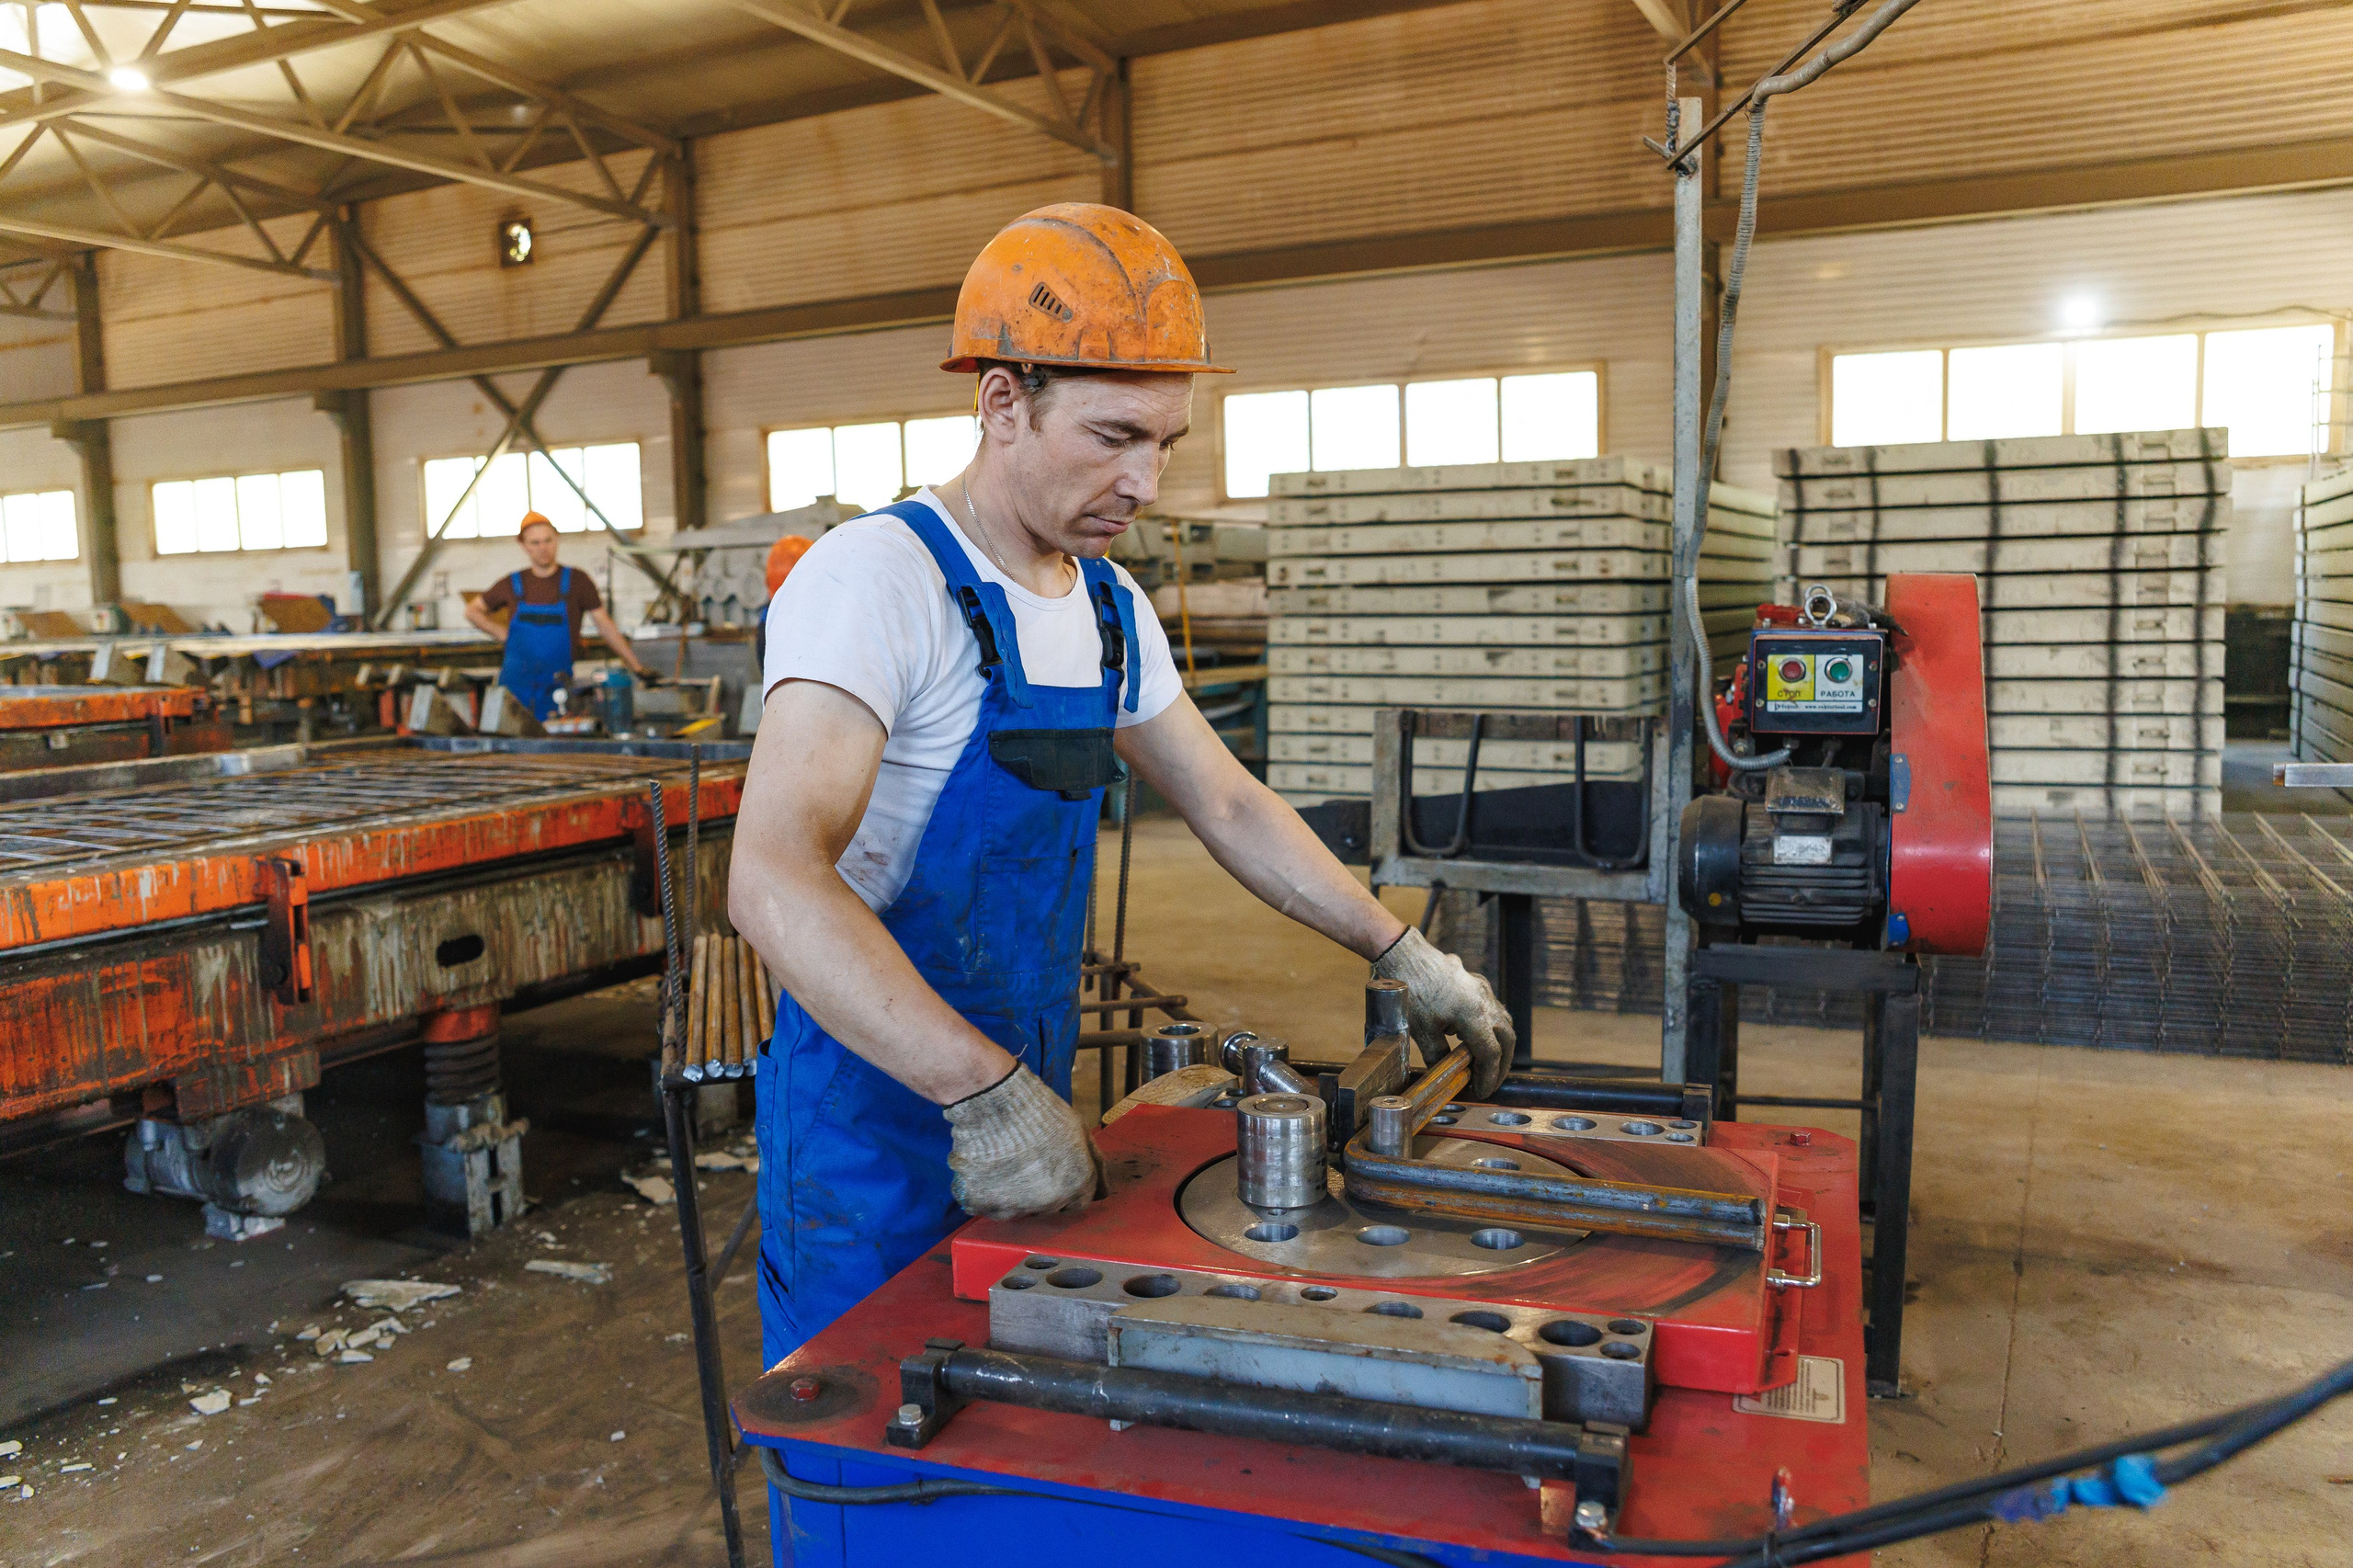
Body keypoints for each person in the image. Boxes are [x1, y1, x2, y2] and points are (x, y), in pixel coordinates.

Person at [727, 203, 1514, 1381]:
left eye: (1165, 442)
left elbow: (1230, 804)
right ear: (1003, 402)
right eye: (1111, 436)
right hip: (876, 1117)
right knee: (870, 1438)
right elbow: (771, 876)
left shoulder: (1103, 605)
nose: (1142, 480)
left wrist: (1402, 951)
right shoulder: (877, 580)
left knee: (1013, 1438)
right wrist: (978, 1092)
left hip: (1030, 1093)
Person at [464, 511, 656, 719]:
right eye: (535, 542)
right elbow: (472, 611)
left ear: (557, 539)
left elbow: (605, 625)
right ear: (523, 546)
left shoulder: (577, 581)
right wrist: (503, 633)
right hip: (515, 691)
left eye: (548, 540)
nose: (543, 548)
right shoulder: (511, 584)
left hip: (557, 692)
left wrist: (635, 666)